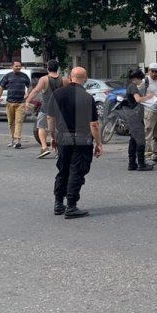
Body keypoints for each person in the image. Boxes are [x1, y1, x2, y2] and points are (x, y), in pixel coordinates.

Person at [47, 67, 102, 219]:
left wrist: (53, 136)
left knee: (63, 170)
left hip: (63, 138)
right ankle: (71, 206)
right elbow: (94, 125)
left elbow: (50, 118)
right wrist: (99, 144)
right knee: (76, 172)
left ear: (70, 77)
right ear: (85, 78)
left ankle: (58, 203)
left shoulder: (57, 94)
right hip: (82, 140)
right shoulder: (87, 97)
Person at [24, 59, 64, 158]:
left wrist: (28, 101)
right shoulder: (64, 79)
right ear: (57, 68)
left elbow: (36, 90)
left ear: (48, 68)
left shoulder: (44, 79)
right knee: (58, 129)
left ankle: (44, 147)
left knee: (41, 127)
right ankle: (58, 150)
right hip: (60, 109)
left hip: (46, 109)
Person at [125, 68, 155, 171]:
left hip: (132, 116)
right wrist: (149, 97)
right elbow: (138, 99)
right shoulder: (133, 86)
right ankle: (141, 164)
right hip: (136, 117)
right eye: (140, 79)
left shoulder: (129, 85)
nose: (141, 81)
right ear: (136, 78)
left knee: (133, 140)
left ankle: (132, 163)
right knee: (140, 140)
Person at [0, 60, 31, 148]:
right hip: (10, 103)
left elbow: (30, 86)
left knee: (18, 122)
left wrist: (28, 94)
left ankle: (17, 141)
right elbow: (1, 86)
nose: (18, 67)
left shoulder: (24, 76)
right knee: (11, 123)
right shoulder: (8, 76)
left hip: (21, 103)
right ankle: (13, 139)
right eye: (16, 66)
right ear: (12, 67)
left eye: (20, 66)